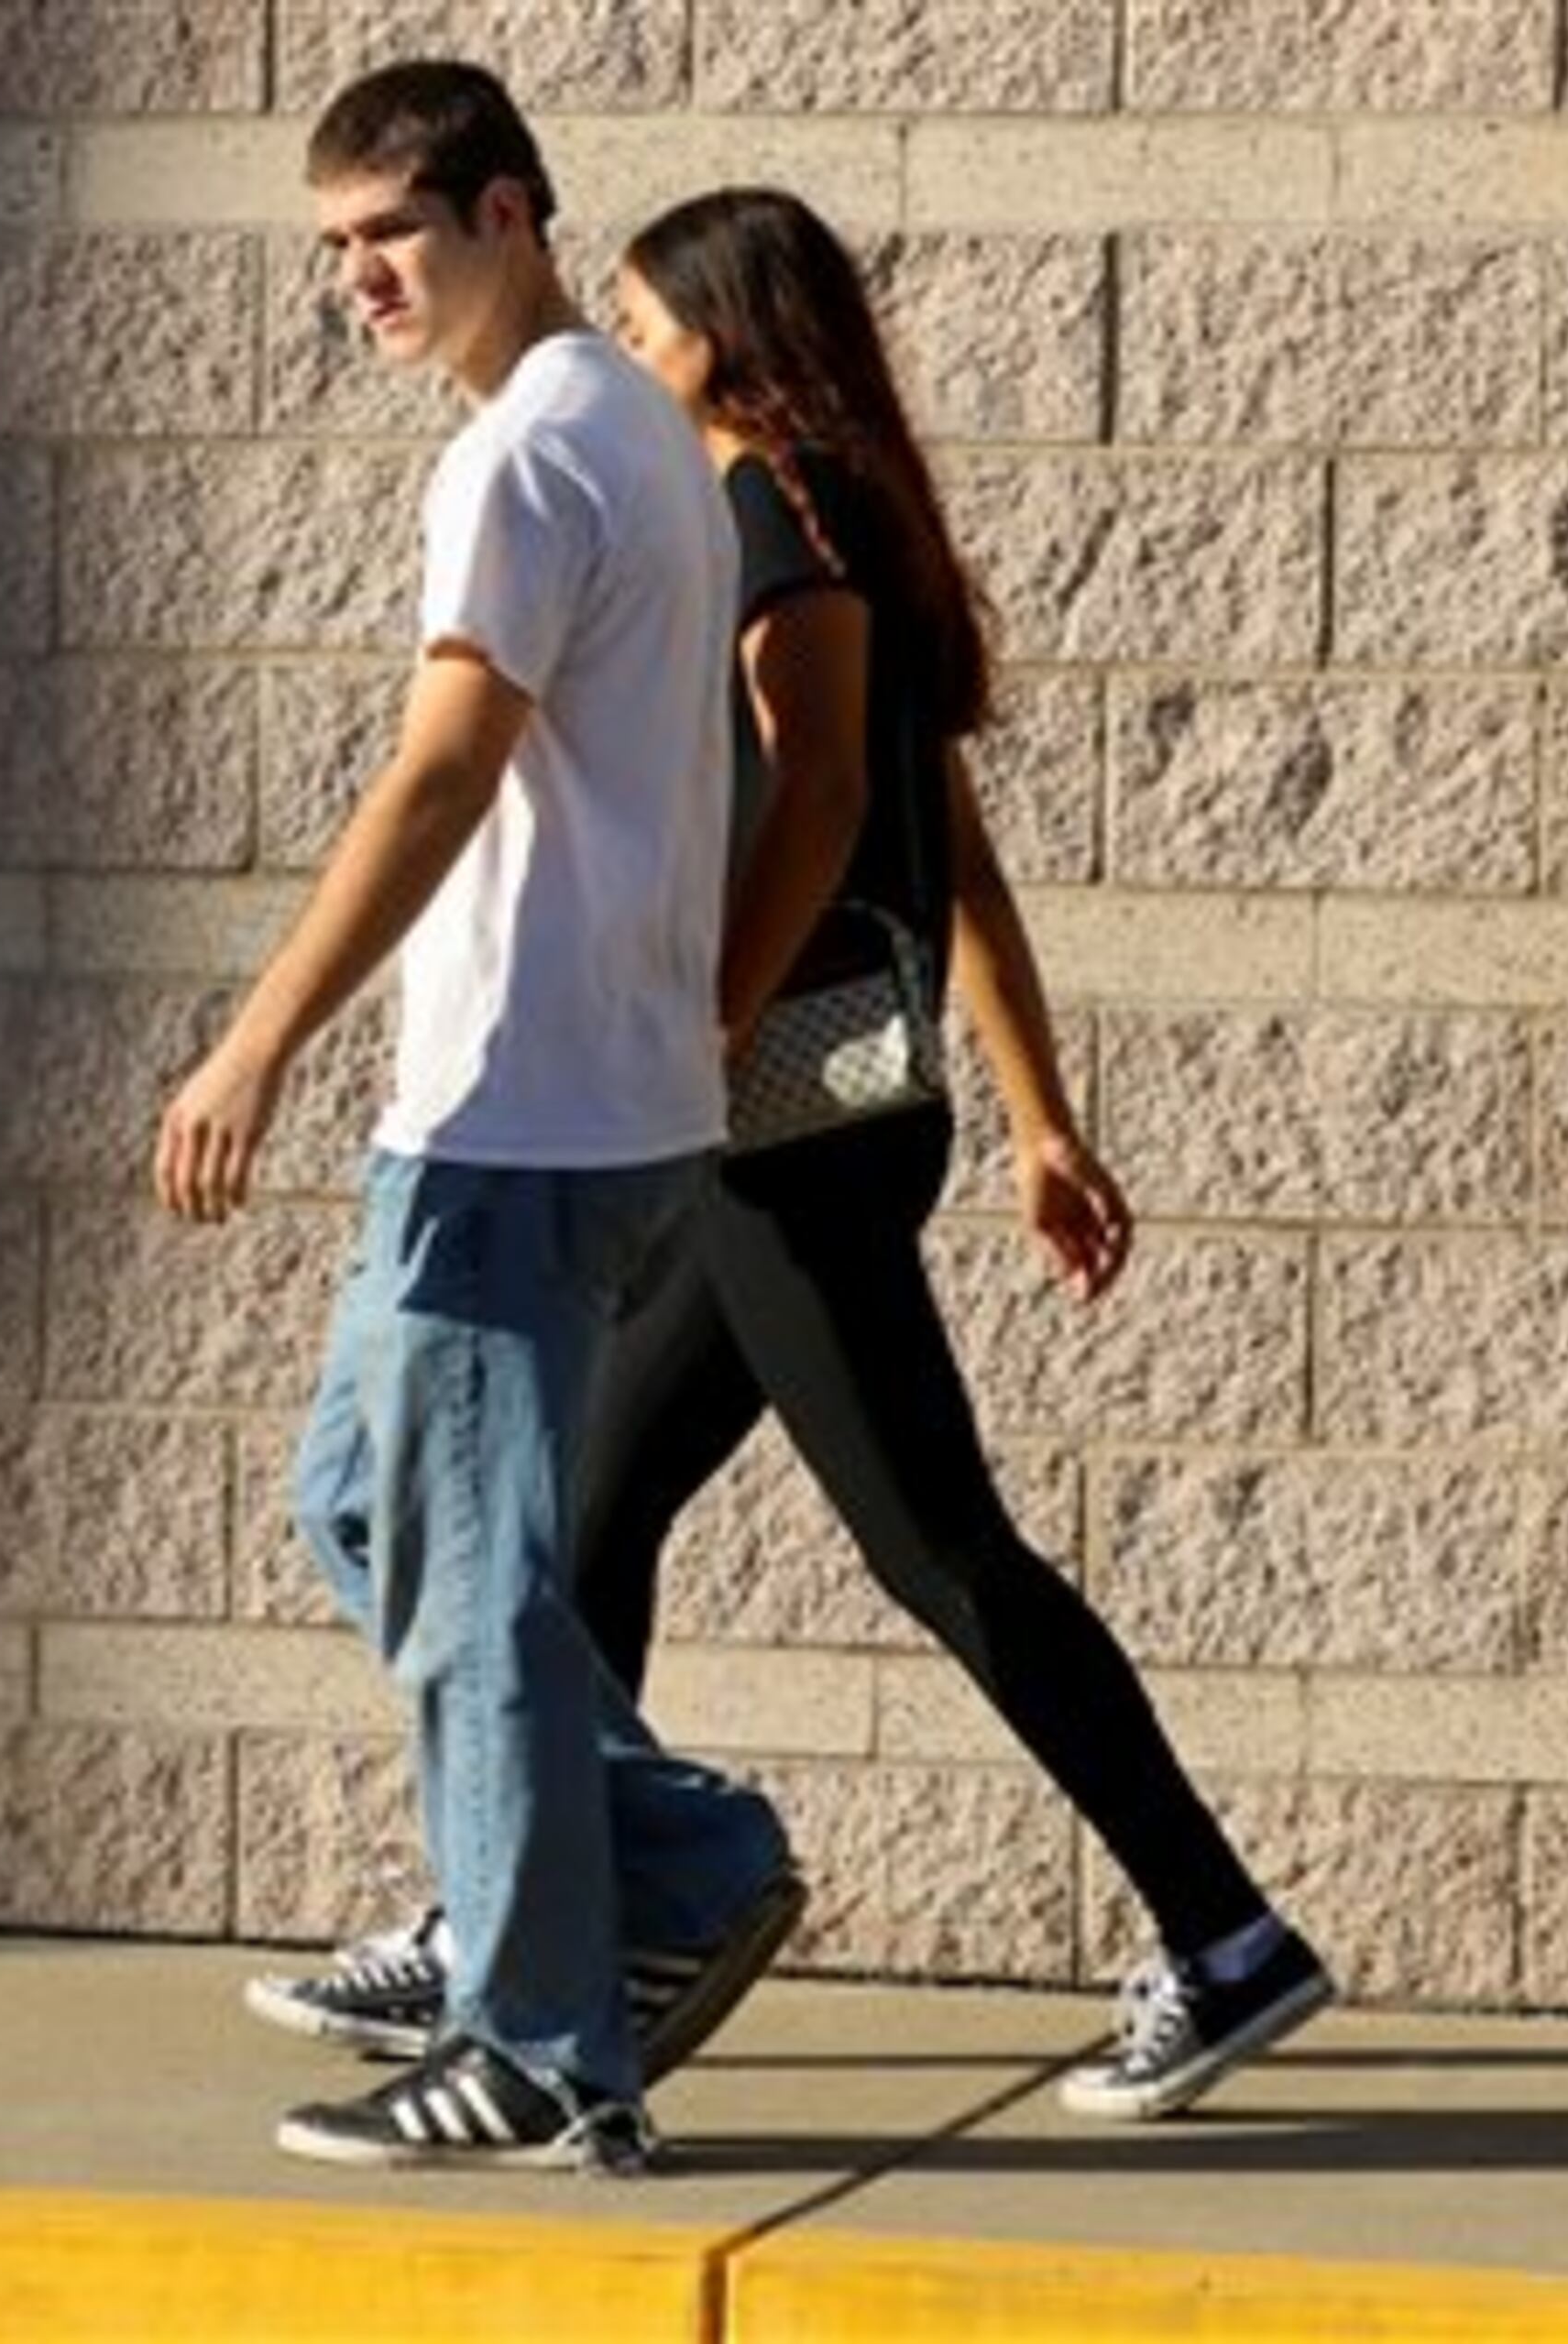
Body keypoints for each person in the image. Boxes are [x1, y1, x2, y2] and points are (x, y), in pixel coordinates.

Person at [260, 184, 1332, 2125]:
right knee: (584, 1515)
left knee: (937, 1546)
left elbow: (832, 796)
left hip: (778, 1128)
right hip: (836, 1108)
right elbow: (962, 860)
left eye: (656, 332)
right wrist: (1038, 1110)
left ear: (726, 343)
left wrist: (703, 1028)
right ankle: (533, 1904)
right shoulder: (844, 520)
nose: (634, 362)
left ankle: (1225, 1932)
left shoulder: (765, 516)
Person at [157, 62, 806, 2177]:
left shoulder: (529, 454)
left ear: (511, 214)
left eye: (394, 237)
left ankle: (545, 2045)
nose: (358, 277)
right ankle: (682, 1860)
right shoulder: (640, 425)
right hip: (589, 1099)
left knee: (465, 1583)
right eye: (331, 244)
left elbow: (444, 770)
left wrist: (257, 1037)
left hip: (514, 1115)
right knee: (371, 1500)